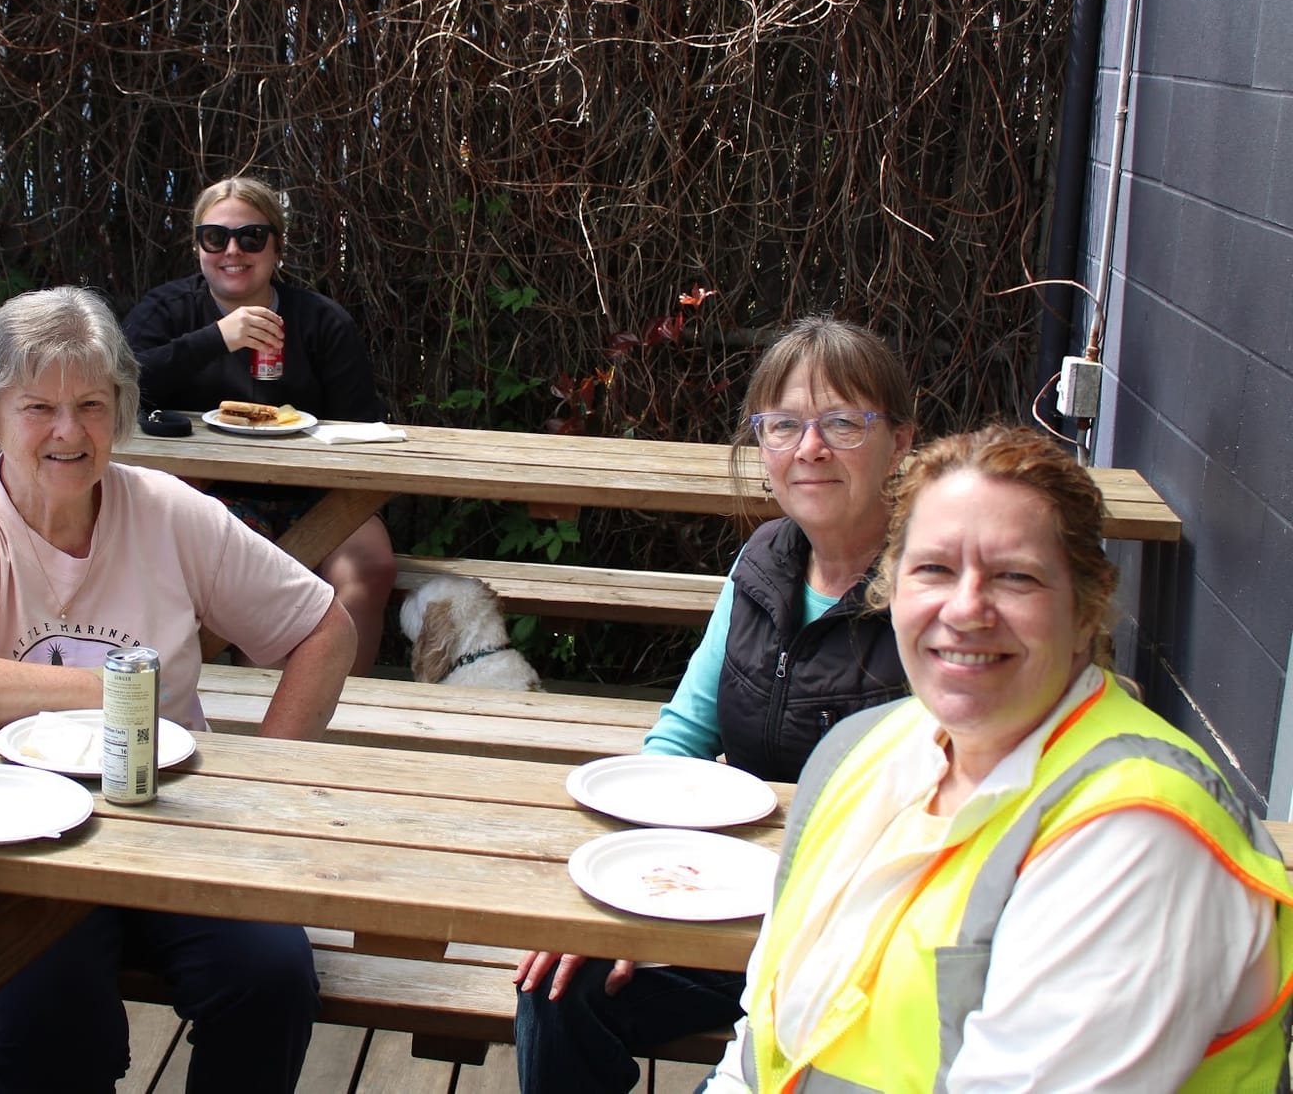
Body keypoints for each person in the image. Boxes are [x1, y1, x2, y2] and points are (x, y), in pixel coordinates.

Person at [706, 426, 1293, 1091]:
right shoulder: (857, 749)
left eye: (1015, 575)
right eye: (933, 568)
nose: (966, 608)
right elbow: (760, 1036)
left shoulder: (1140, 833)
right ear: (890, 588)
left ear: (1086, 609)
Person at [0, 286, 357, 1093]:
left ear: (122, 412)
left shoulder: (166, 509)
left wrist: (263, 780)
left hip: (165, 817)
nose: (69, 431)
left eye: (92, 405)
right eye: (39, 407)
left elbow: (324, 628)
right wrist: (108, 691)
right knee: (56, 1019)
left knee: (270, 978)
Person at [515, 316, 918, 1093]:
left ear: (899, 440)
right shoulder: (762, 560)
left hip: (855, 941)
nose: (810, 448)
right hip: (728, 911)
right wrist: (622, 898)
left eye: (841, 421)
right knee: (556, 988)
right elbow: (679, 738)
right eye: (784, 425)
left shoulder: (929, 585)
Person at [124, 176, 395, 675]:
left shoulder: (320, 321)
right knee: (254, 576)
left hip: (318, 490)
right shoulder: (169, 310)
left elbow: (363, 424)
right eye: (215, 237)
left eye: (251, 237)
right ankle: (259, 717)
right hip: (206, 491)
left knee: (370, 566)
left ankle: (341, 715)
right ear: (197, 246)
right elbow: (119, 384)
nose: (233, 250)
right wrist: (216, 339)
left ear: (276, 247)